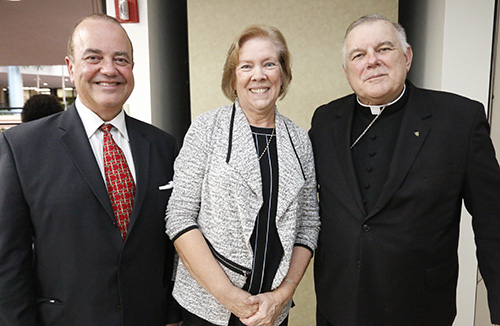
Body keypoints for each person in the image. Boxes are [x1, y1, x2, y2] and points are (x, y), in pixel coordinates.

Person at [309, 14, 500, 326]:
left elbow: (493, 218)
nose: (372, 61)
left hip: (419, 306)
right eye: (359, 55)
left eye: (384, 49)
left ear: (407, 57)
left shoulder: (459, 119)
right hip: (339, 304)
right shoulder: (326, 120)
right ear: (347, 70)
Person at [0, 14, 180, 326]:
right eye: (93, 57)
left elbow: (172, 248)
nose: (109, 70)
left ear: (132, 69)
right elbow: (8, 262)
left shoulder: (163, 146)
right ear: (71, 67)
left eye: (120, 59)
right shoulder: (22, 148)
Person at [165, 25, 320, 326]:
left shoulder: (300, 140)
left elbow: (309, 225)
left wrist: (282, 295)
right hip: (208, 307)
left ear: (283, 74)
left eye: (269, 64)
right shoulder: (206, 129)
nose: (258, 75)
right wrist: (227, 295)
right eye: (246, 66)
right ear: (233, 78)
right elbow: (179, 216)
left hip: (272, 310)